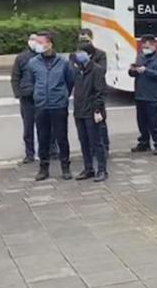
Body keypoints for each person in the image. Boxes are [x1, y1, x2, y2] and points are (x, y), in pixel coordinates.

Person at [22, 32, 75, 181]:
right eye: (36, 42)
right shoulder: (33, 63)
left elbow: (70, 81)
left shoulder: (63, 62)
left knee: (61, 137)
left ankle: (65, 167)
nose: (37, 45)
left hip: (58, 105)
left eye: (41, 42)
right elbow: (31, 81)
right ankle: (43, 168)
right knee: (42, 137)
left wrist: (63, 95)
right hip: (41, 105)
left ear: (50, 44)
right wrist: (37, 95)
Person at [72, 43, 108, 182]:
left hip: (92, 112)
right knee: (84, 141)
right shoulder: (78, 70)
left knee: (96, 142)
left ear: (89, 55)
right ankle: (88, 168)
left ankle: (102, 169)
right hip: (79, 111)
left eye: (82, 52)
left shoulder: (97, 70)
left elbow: (100, 92)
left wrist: (97, 110)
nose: (78, 54)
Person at [129, 34, 157, 155]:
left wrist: (146, 70)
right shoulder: (140, 57)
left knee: (154, 121)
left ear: (154, 45)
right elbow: (133, 73)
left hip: (152, 95)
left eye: (147, 46)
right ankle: (144, 143)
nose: (145, 48)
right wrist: (132, 70)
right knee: (141, 121)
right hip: (140, 94)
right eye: (143, 46)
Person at [73, 29, 109, 153]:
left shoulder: (100, 54)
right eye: (81, 40)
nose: (83, 43)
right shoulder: (75, 56)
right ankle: (90, 151)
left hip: (95, 92)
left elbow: (102, 71)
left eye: (85, 40)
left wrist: (88, 62)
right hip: (82, 95)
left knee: (100, 124)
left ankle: (104, 149)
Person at [11, 34, 40, 164]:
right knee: (28, 128)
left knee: (46, 126)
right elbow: (15, 77)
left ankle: (51, 151)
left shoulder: (43, 56)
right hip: (27, 98)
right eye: (32, 40)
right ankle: (30, 153)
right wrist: (19, 93)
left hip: (42, 97)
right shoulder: (21, 58)